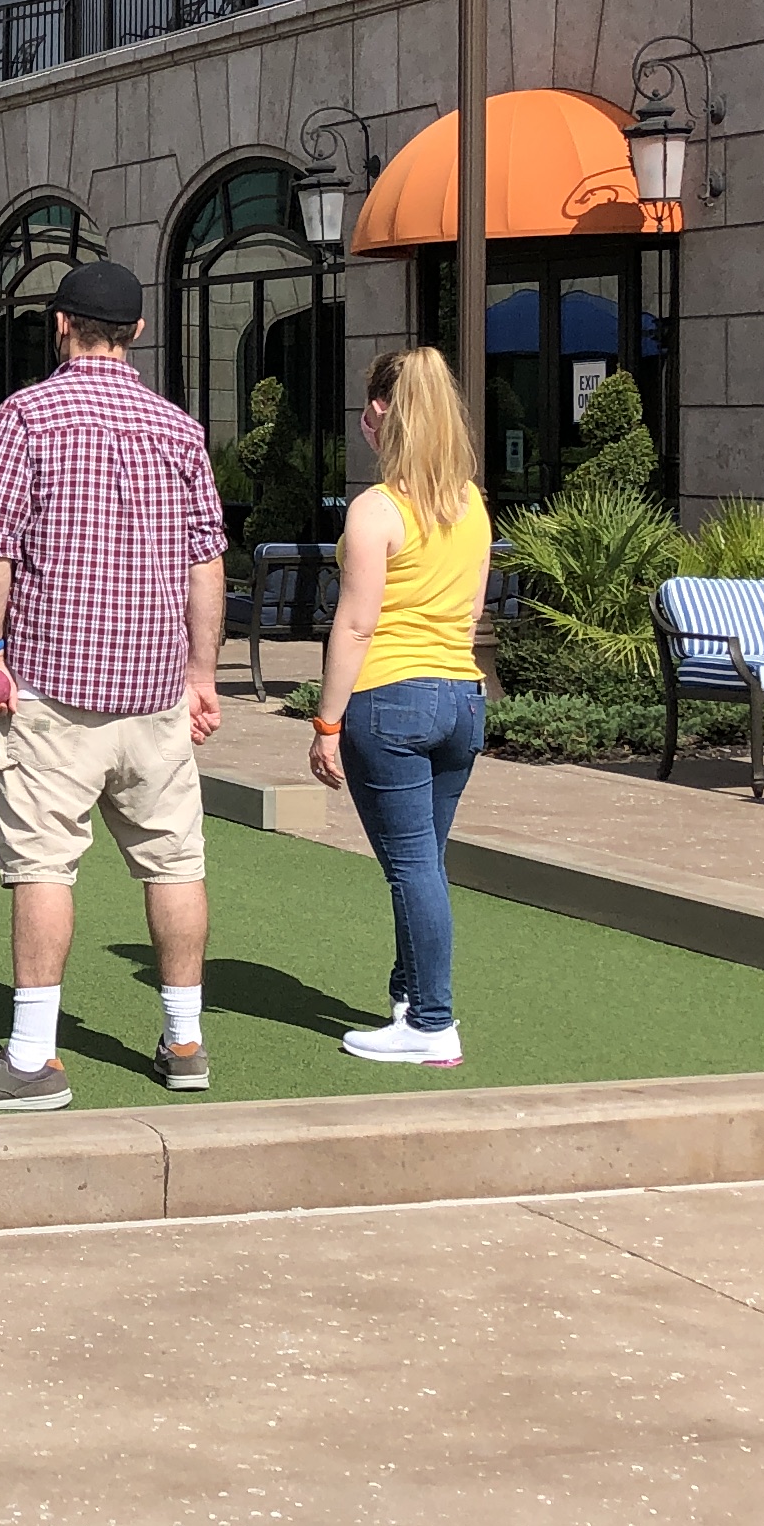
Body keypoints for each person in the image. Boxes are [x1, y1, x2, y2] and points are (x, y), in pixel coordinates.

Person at [0, 256, 226, 1112]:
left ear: (61, 325)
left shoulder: (28, 415)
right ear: (135, 332)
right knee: (174, 863)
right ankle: (185, 1037)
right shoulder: (178, 428)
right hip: (157, 690)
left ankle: (33, 1057)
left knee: (44, 865)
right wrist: (203, 673)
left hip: (54, 688)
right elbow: (208, 558)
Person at [308, 345, 489, 1067]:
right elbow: (472, 612)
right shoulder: (471, 501)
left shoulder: (376, 509)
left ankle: (432, 1021)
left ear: (383, 412)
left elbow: (354, 624)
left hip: (391, 700)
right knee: (427, 862)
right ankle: (413, 997)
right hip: (460, 697)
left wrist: (325, 724)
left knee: (411, 867)